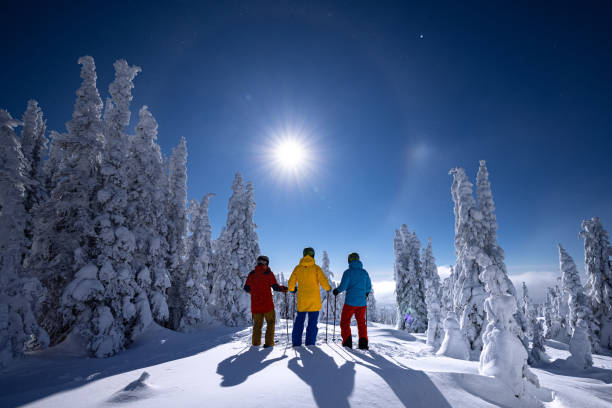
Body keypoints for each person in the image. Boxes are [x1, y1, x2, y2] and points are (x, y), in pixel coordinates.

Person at [288, 247, 331, 346]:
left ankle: (296, 344)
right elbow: (324, 282)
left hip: (302, 301)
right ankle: (310, 344)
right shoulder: (316, 268)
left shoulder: (298, 268)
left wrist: (292, 289)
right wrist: (328, 288)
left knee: (299, 323)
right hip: (314, 301)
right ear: (313, 255)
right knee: (312, 323)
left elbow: (291, 283)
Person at [244, 255, 287, 348]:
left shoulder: (252, 274)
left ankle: (255, 344)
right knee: (270, 323)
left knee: (257, 325)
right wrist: (284, 289)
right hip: (267, 305)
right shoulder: (268, 273)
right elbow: (275, 287)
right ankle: (269, 343)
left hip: (255, 305)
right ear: (266, 263)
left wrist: (254, 294)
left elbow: (246, 288)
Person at [333, 252, 372, 350]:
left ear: (349, 261)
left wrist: (337, 291)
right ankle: (363, 344)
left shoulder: (348, 272)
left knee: (345, 322)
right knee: (361, 323)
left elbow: (343, 286)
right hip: (362, 303)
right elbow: (368, 286)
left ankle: (347, 342)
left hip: (350, 303)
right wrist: (366, 293)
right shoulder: (364, 272)